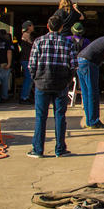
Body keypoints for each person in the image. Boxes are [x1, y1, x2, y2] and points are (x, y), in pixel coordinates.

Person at [26, 15, 79, 158]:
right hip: (61, 83)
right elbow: (74, 65)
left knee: (40, 117)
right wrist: (67, 80)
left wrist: (36, 79)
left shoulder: (38, 42)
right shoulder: (68, 43)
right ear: (62, 27)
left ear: (48, 26)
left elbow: (31, 65)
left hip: (42, 83)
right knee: (60, 116)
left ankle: (38, 149)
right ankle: (60, 149)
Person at [76, 35, 104, 129]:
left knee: (86, 93)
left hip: (80, 60)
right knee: (93, 93)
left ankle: (89, 121)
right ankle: (94, 121)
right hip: (89, 63)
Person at [17, 20, 35, 102]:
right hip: (26, 60)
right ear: (28, 27)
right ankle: (24, 97)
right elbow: (33, 45)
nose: (33, 27)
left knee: (29, 78)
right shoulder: (26, 35)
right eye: (31, 25)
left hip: (26, 59)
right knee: (28, 78)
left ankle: (26, 96)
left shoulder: (26, 35)